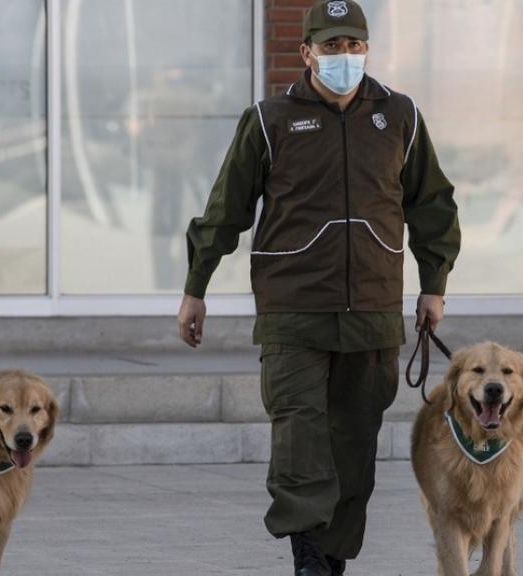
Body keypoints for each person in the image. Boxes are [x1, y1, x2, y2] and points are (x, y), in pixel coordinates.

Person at [176, 1, 460, 574]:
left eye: (354, 46)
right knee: (300, 439)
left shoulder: (398, 116)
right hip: (292, 311)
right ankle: (307, 555)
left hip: (374, 311)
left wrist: (434, 285)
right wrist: (196, 286)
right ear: (306, 52)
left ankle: (331, 559)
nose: (345, 57)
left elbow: (431, 204)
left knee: (354, 446)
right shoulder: (269, 120)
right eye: (332, 46)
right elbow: (224, 209)